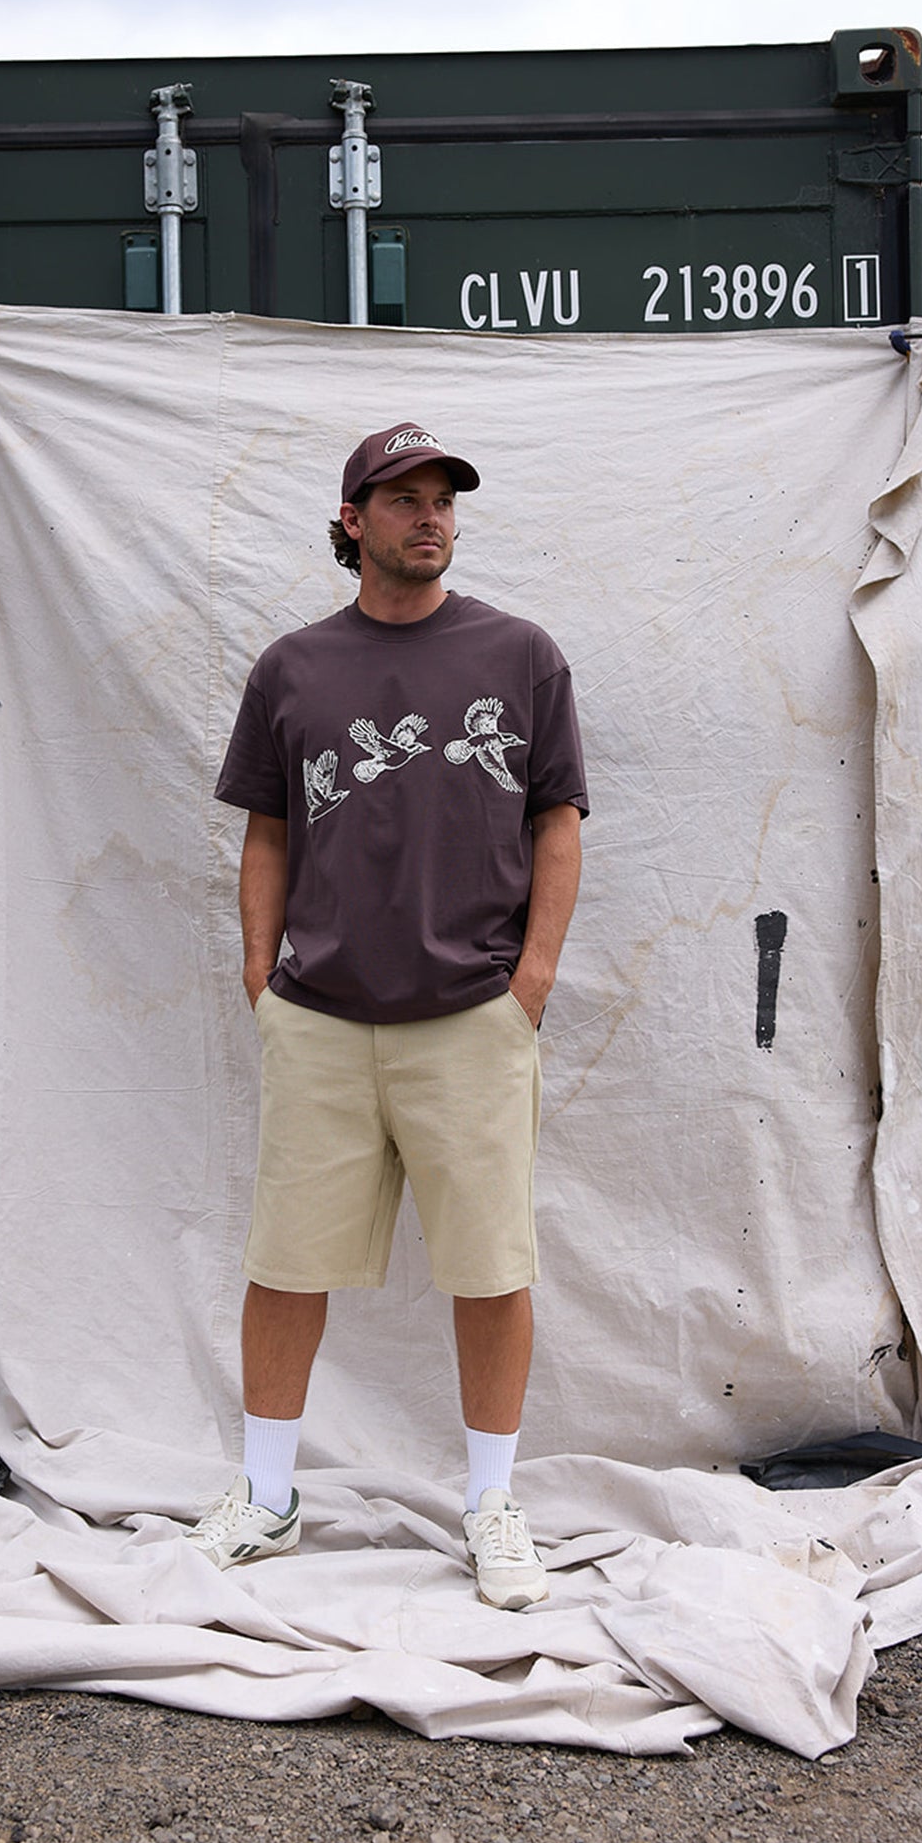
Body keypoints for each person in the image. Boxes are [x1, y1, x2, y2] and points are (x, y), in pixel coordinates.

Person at [189, 422, 588, 1609]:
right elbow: (266, 827)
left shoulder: (521, 656)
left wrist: (532, 985)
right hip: (320, 1017)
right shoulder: (294, 669)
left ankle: (493, 1506)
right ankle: (267, 1495)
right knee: (285, 1261)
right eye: (402, 498)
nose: (430, 516)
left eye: (443, 498)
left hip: (472, 1012)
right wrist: (261, 975)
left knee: (490, 1267)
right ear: (352, 521)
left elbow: (556, 823)